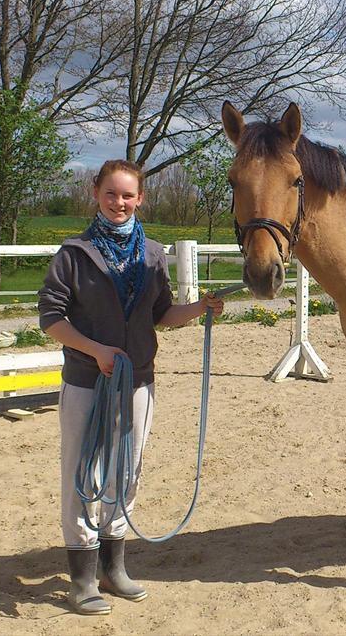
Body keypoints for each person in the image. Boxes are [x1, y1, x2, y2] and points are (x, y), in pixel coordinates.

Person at [37, 159, 224, 615]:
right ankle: (81, 578)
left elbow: (160, 314)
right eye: (111, 194)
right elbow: (51, 319)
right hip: (87, 382)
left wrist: (199, 307)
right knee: (81, 474)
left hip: (138, 380)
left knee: (128, 469)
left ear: (140, 199)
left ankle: (112, 566)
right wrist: (95, 350)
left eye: (127, 196)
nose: (118, 203)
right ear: (95, 193)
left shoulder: (153, 255)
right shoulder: (74, 254)